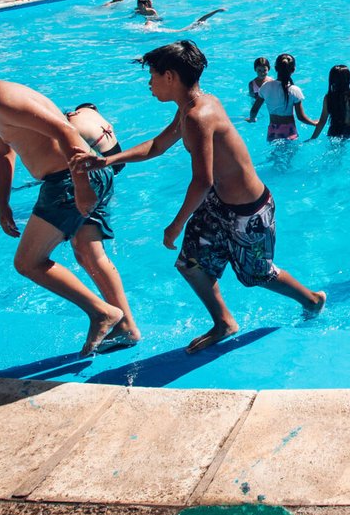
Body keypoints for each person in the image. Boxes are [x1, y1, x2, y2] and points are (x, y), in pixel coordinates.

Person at [74, 41, 324, 354]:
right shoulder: (191, 107)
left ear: (169, 76)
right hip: (220, 204)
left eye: (152, 75)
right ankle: (224, 322)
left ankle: (312, 300)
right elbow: (158, 145)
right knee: (190, 263)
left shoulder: (198, 116)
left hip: (250, 211)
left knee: (258, 275)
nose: (149, 83)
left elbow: (202, 180)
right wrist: (108, 160)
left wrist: (176, 224)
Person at [0, 44, 139, 355]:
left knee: (28, 262)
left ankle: (102, 313)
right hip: (80, 175)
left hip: (71, 179)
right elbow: (3, 153)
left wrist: (81, 186)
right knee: (88, 254)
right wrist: (3, 203)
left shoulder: (8, 102)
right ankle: (127, 328)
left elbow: (66, 132)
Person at [249, 54, 319, 140]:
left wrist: (252, 119)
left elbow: (254, 110)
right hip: (289, 132)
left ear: (275, 68)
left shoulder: (265, 87)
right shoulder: (294, 90)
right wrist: (314, 123)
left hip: (272, 132)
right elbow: (301, 117)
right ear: (293, 70)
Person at [309, 64, 350, 139]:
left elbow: (322, 121)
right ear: (349, 79)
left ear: (332, 80)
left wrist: (312, 138)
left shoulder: (328, 98)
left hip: (334, 132)